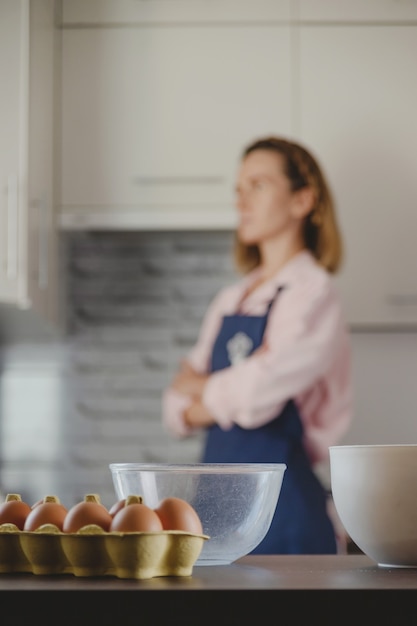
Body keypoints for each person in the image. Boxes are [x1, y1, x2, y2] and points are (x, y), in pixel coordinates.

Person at [162, 135, 352, 554]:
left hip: (286, 514)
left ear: (303, 200)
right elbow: (175, 407)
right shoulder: (231, 298)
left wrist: (204, 388)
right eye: (239, 189)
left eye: (259, 185)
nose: (241, 201)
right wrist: (221, 391)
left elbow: (259, 394)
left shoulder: (315, 291)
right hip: (211, 513)